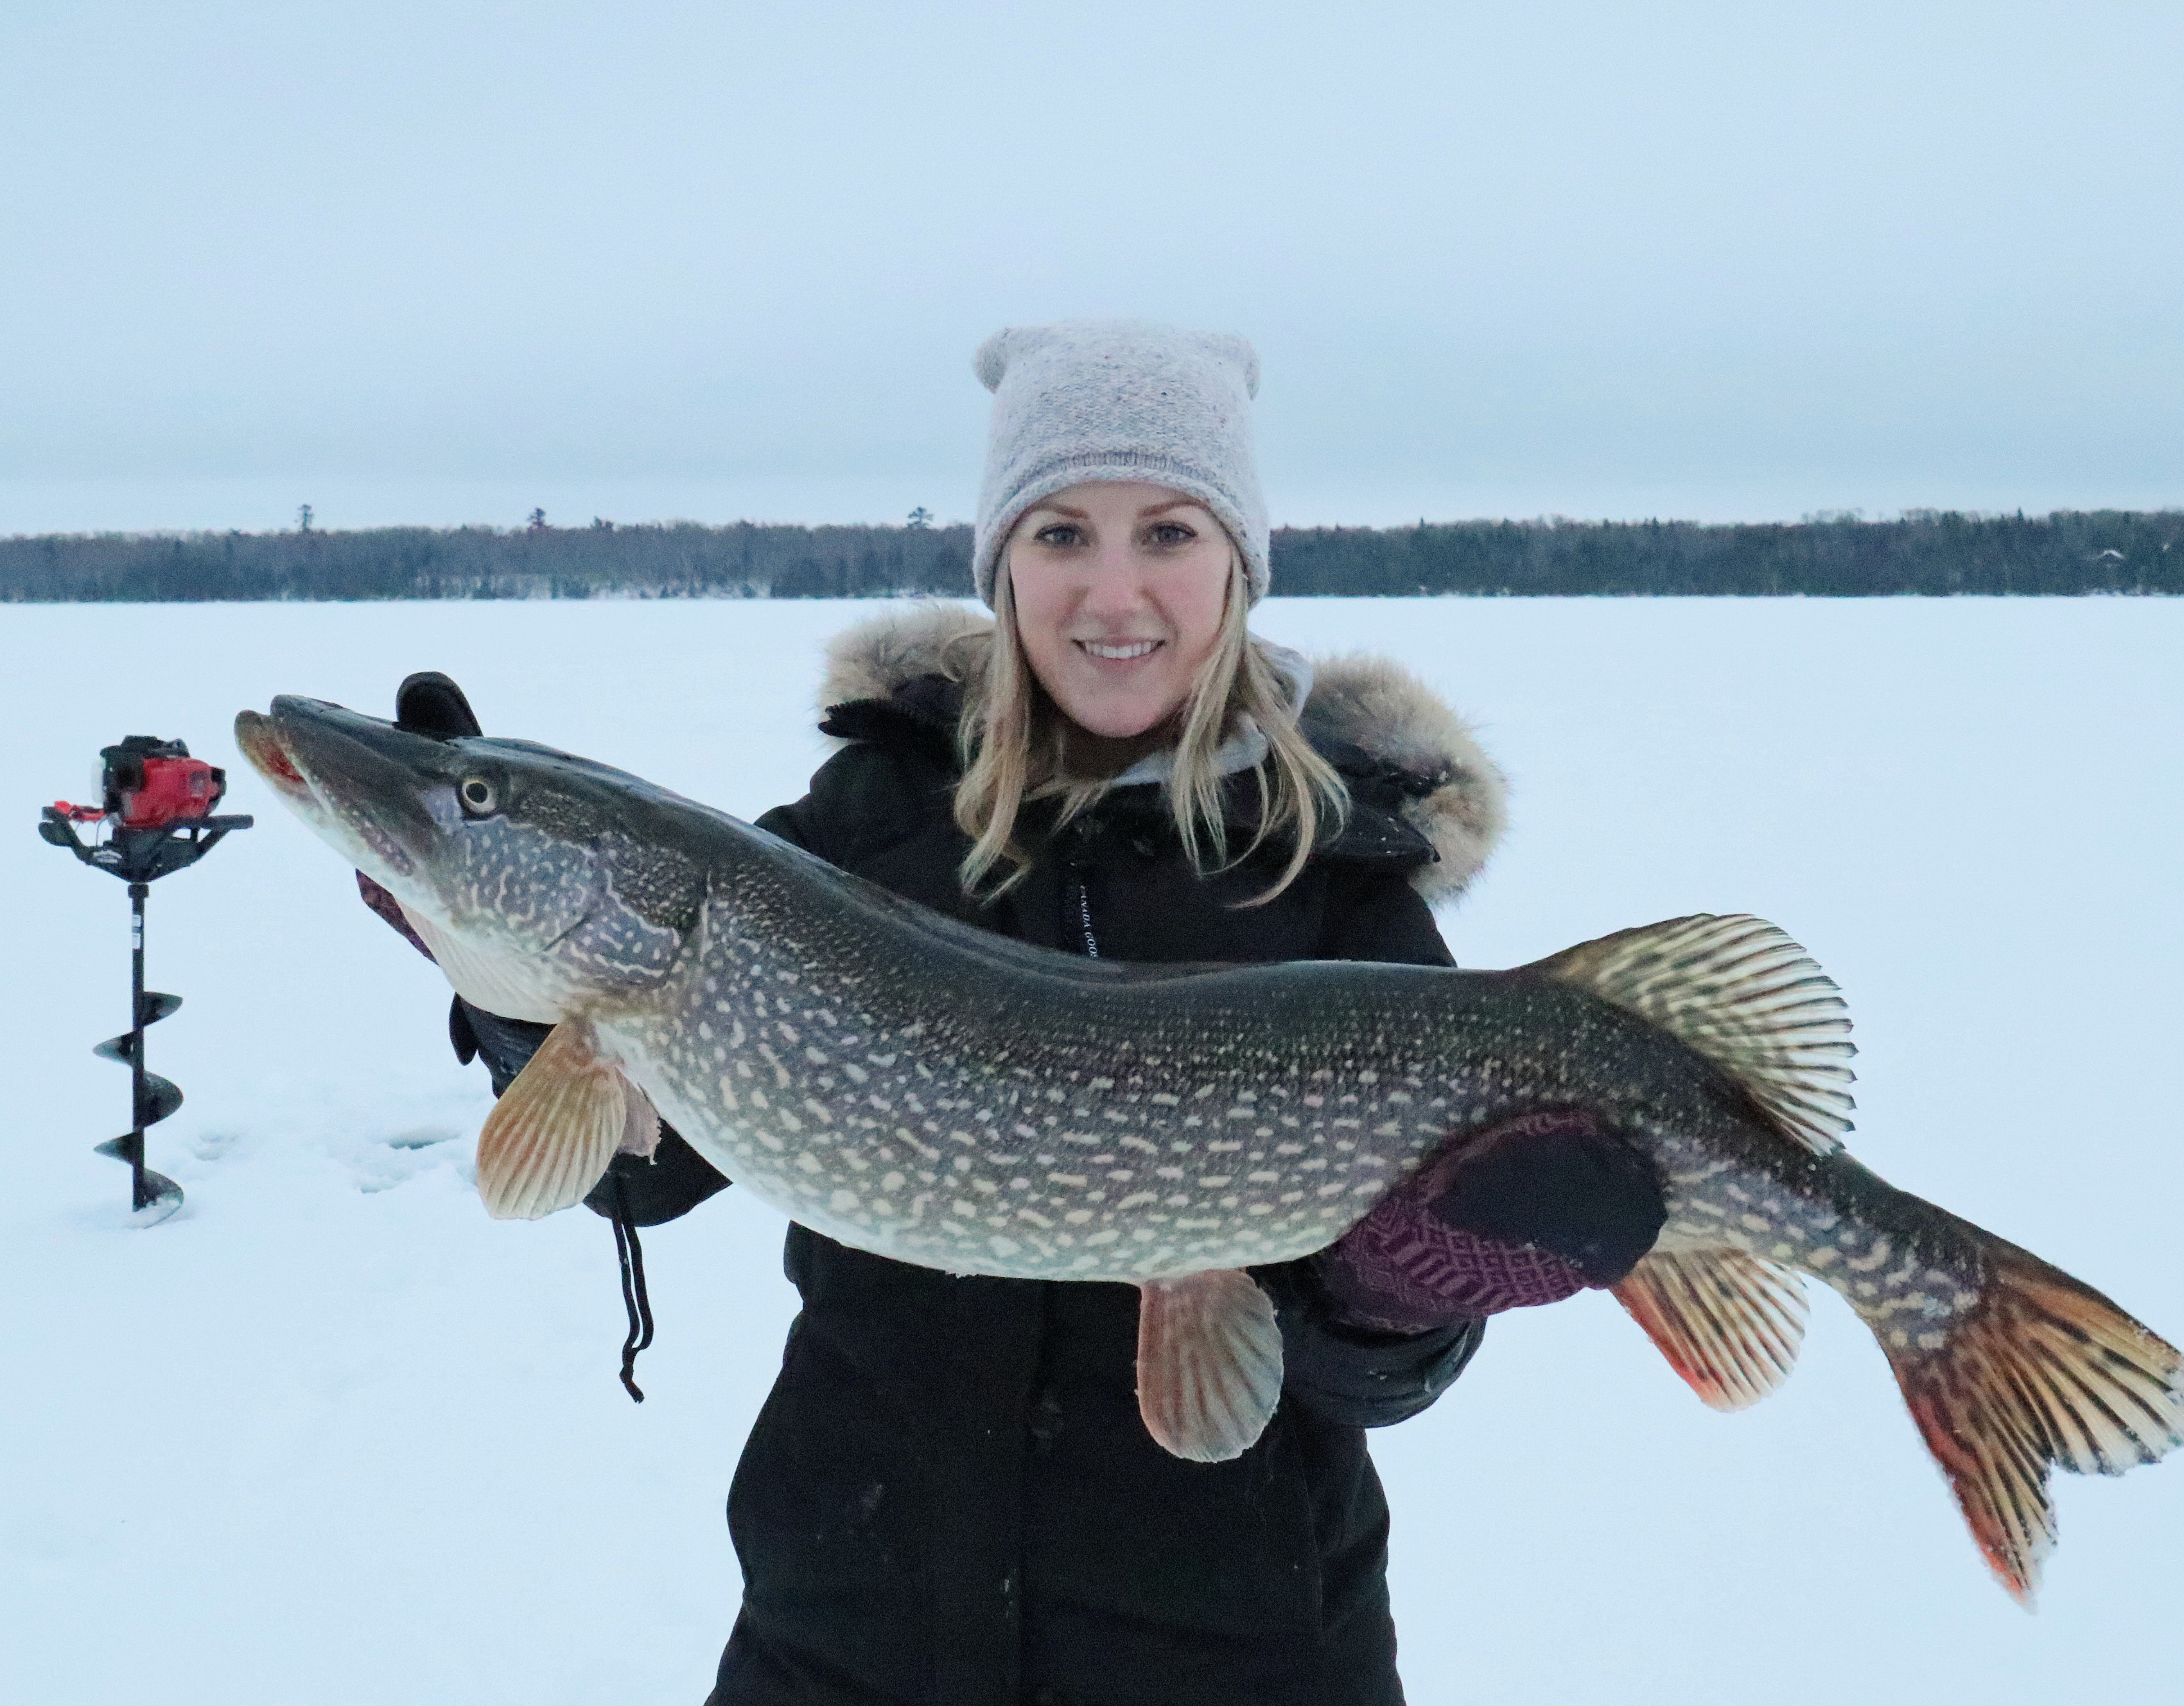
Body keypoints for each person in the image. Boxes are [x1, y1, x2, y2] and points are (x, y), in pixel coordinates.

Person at [368, 321, 1668, 1705]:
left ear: (1239, 562)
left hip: (1244, 1657)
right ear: (1002, 566)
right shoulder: (860, 831)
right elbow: (650, 1171)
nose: (1116, 590)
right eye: (1060, 535)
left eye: (1167, 530)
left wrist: (1397, 1288)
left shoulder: (1335, 888)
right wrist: (512, 989)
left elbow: (1379, 1378)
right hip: (850, 1633)